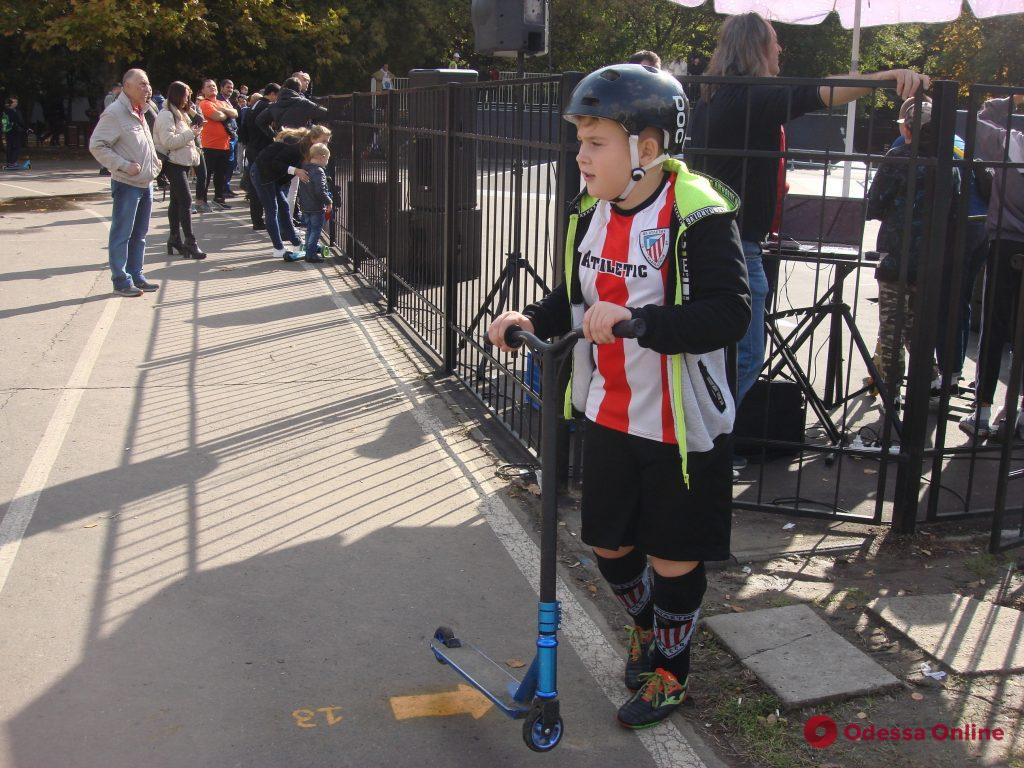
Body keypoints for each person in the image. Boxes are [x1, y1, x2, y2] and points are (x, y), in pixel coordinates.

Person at [487, 64, 749, 729]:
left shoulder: (699, 215)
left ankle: (671, 671)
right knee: (608, 545)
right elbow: (575, 299)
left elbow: (728, 315)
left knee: (671, 555)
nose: (581, 154)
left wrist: (641, 321)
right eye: (580, 139)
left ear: (647, 149)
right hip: (607, 408)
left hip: (681, 425)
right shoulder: (591, 214)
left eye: (596, 140)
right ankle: (648, 630)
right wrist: (529, 319)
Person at [688, 12, 929, 418]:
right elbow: (822, 90)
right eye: (775, 41)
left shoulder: (714, 96)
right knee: (744, 357)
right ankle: (707, 444)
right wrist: (888, 75)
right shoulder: (752, 96)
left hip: (714, 240)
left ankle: (704, 445)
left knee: (720, 355)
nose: (780, 49)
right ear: (756, 48)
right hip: (736, 248)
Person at [865, 100, 959, 405]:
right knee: (918, 330)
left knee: (892, 329)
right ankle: (924, 388)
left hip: (896, 256)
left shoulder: (898, 158)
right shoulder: (950, 164)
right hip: (932, 260)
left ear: (907, 127)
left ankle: (890, 396)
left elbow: (874, 204)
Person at [960, 94, 1024, 442]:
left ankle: (982, 410)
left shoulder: (1010, 144)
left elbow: (979, 120)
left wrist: (1009, 99)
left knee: (994, 329)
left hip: (1006, 242)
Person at [88, 69, 162, 297]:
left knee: (139, 234)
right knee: (122, 233)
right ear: (126, 86)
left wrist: (156, 164)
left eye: (148, 84)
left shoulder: (143, 111)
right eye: (141, 84)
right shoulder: (115, 113)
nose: (147, 88)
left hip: (145, 183)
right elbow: (97, 145)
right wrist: (122, 164)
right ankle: (121, 280)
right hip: (127, 183)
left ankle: (136, 275)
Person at [252, 124, 332, 259]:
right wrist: (295, 170)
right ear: (313, 138)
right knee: (272, 210)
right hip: (262, 173)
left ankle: (296, 242)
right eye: (323, 141)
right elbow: (276, 163)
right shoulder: (297, 146)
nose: (325, 145)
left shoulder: (307, 149)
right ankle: (278, 248)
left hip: (271, 176)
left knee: (283, 206)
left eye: (327, 142)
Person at [153, 81, 207, 260]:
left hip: (181, 162)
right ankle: (190, 242)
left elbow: (200, 120)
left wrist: (190, 109)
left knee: (176, 202)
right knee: (186, 200)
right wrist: (191, 133)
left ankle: (174, 239)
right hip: (172, 162)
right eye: (186, 96)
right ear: (177, 96)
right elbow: (169, 142)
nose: (188, 100)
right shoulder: (167, 115)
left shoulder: (180, 113)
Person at [240, 82, 280, 230]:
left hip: (251, 147)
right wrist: (274, 137)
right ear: (272, 94)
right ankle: (264, 220)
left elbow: (243, 128)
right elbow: (265, 125)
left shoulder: (253, 106)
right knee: (263, 186)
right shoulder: (267, 107)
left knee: (254, 185)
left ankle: (256, 219)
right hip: (262, 149)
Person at [197, 78, 237, 208]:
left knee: (221, 175)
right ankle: (201, 201)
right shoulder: (204, 103)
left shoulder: (221, 102)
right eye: (208, 86)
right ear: (203, 90)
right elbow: (217, 116)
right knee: (206, 175)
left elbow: (235, 113)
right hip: (209, 145)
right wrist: (226, 112)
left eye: (213, 86)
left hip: (224, 145)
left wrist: (224, 111)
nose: (212, 88)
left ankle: (219, 199)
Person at [297, 142, 333, 264]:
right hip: (316, 206)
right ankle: (311, 254)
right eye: (327, 159)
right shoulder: (319, 171)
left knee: (309, 229)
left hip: (305, 205)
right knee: (315, 230)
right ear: (322, 157)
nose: (327, 162)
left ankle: (308, 249)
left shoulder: (304, 168)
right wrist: (328, 201)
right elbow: (320, 191)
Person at [255, 77, 327, 135]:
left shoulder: (274, 105)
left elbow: (259, 120)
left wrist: (274, 135)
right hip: (300, 142)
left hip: (282, 142)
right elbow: (325, 112)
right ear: (299, 90)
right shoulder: (304, 103)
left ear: (283, 88)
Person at [2, 97, 27, 169]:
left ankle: (10, 162)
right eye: (14, 102)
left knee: (10, 147)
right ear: (11, 103)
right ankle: (12, 163)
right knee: (16, 147)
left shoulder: (6, 110)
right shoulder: (12, 111)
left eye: (17, 102)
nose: (16, 103)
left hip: (8, 131)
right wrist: (26, 128)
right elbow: (18, 121)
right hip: (14, 131)